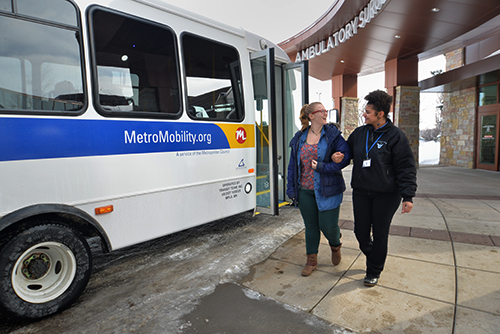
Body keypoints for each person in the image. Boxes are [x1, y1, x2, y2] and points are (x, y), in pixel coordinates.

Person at [334, 90, 417, 287]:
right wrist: (337, 157)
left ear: (380, 114)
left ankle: (373, 270)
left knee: (380, 233)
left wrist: (408, 196)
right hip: (362, 191)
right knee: (361, 232)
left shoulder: (396, 136)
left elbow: (405, 167)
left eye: (368, 112)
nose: (364, 114)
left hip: (387, 194)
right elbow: (347, 152)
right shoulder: (360, 133)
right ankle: (375, 255)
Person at [286, 102, 351, 276]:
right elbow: (292, 165)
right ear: (311, 116)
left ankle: (335, 244)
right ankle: (311, 260)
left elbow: (346, 156)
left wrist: (331, 162)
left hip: (328, 189)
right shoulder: (299, 138)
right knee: (311, 226)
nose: (325, 113)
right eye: (321, 111)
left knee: (328, 226)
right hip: (305, 190)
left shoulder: (332, 135)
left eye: (325, 110)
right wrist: (291, 188)